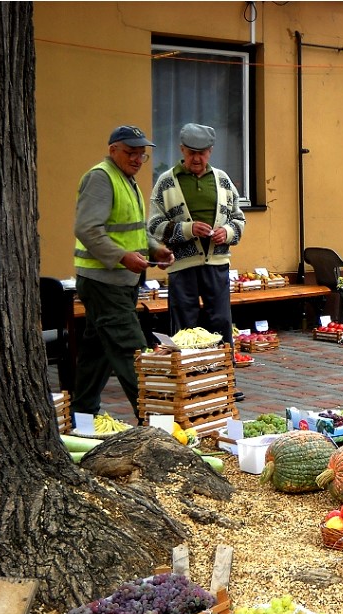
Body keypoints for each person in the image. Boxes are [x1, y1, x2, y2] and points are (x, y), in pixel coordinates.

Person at [72, 125, 174, 420]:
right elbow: (86, 228)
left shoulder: (125, 179)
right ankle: (156, 422)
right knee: (133, 351)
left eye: (142, 155)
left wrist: (154, 249)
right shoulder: (101, 178)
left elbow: (134, 229)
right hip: (105, 282)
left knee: (98, 350)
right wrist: (121, 257)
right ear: (112, 149)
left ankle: (82, 416)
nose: (137, 159)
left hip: (117, 281)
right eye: (131, 152)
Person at [147, 123, 246, 401]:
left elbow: (239, 218)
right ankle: (188, 383)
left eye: (202, 153)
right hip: (182, 266)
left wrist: (228, 232)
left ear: (210, 151)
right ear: (181, 150)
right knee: (184, 326)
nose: (197, 158)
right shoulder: (166, 181)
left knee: (221, 322)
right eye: (191, 152)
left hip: (217, 263)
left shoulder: (223, 180)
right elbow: (154, 225)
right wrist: (187, 231)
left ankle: (224, 382)